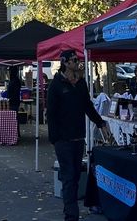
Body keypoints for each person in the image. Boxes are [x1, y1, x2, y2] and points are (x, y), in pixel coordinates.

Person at [47, 50, 106, 221]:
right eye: (74, 60)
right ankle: (71, 215)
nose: (77, 62)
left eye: (77, 59)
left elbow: (87, 105)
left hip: (78, 137)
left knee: (75, 175)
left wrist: (100, 122)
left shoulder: (81, 83)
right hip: (63, 139)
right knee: (68, 177)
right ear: (65, 63)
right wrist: (54, 137)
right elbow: (51, 113)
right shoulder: (56, 84)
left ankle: (71, 210)